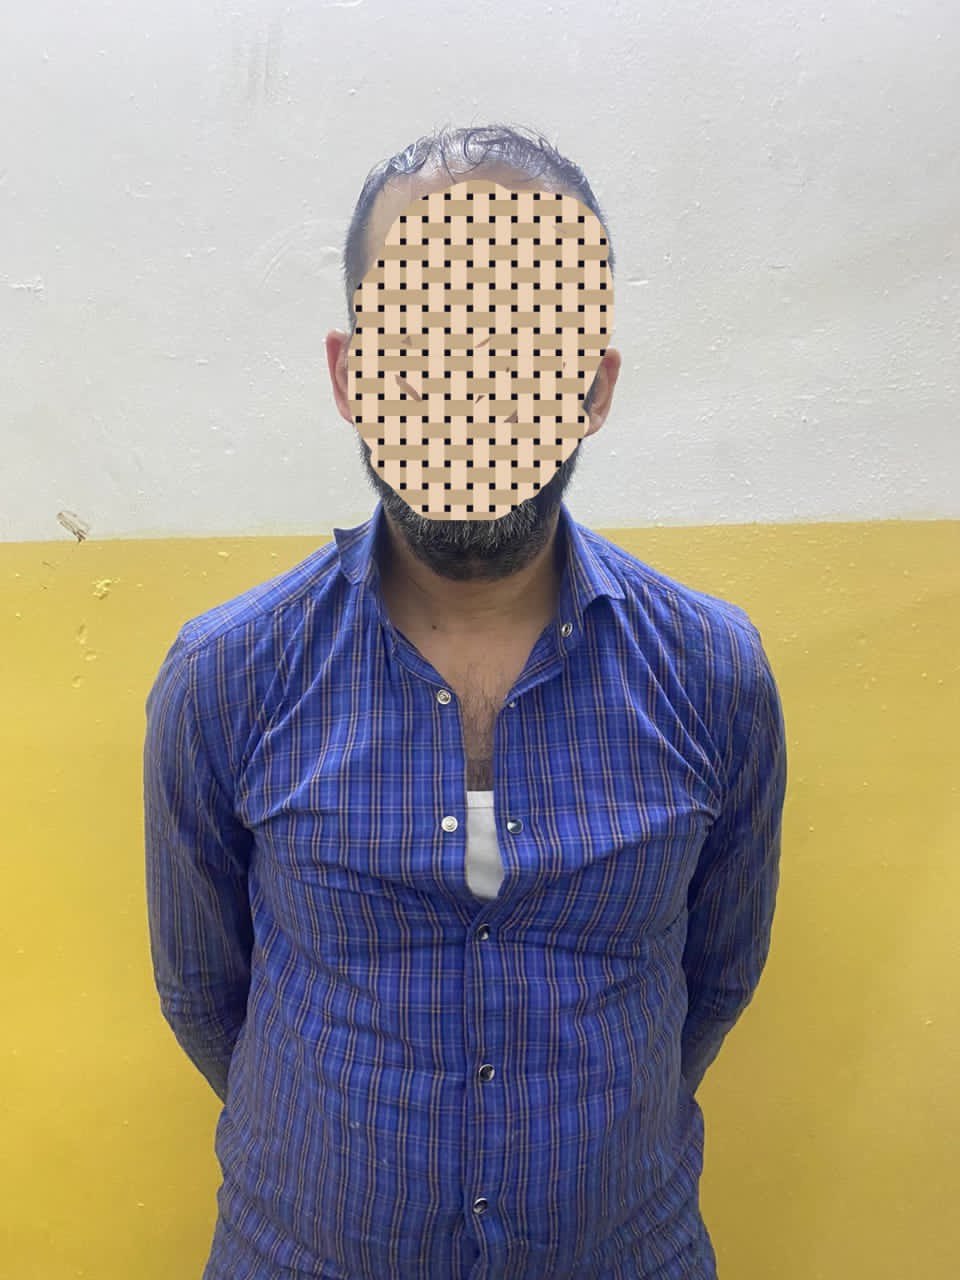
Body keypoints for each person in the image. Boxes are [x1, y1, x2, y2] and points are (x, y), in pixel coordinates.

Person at [144, 123, 788, 1280]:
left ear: (594, 387)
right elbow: (203, 991)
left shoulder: (713, 673)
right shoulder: (226, 676)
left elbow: (719, 974)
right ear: (351, 376)